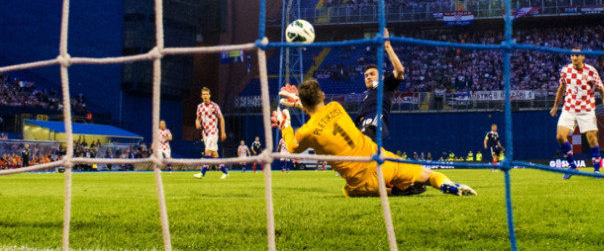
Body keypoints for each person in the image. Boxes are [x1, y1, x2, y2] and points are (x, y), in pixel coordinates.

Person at [271, 78, 476, 197]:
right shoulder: (336, 107)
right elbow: (322, 113)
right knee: (428, 174)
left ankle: (393, 191)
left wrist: (285, 124)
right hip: (381, 161)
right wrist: (301, 102)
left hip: (361, 183)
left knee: (347, 191)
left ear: (305, 105)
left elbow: (291, 146)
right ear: (323, 96)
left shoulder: (305, 133)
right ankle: (448, 185)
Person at [550, 47, 604, 179]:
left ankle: (596, 170)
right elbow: (561, 88)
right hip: (569, 108)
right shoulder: (565, 70)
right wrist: (555, 105)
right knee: (560, 136)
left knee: (591, 137)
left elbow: (602, 90)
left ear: (583, 57)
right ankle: (573, 166)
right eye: (573, 55)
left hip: (586, 109)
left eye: (577, 55)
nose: (575, 58)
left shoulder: (591, 71)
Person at [355, 28, 404, 142]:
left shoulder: (384, 86)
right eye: (366, 75)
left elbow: (400, 71)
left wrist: (388, 48)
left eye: (372, 74)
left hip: (375, 126)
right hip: (362, 128)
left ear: (381, 77)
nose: (368, 77)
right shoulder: (367, 96)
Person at [194, 87, 229, 179]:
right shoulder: (199, 107)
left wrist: (223, 132)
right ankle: (225, 172)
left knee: (207, 151)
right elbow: (198, 118)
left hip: (213, 132)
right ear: (201, 96)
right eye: (203, 94)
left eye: (207, 94)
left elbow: (221, 118)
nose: (205, 96)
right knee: (214, 153)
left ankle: (202, 173)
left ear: (209, 95)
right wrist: (197, 123)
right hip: (205, 133)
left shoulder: (214, 106)